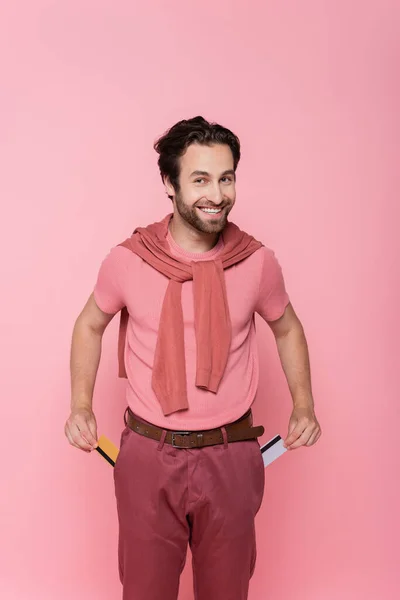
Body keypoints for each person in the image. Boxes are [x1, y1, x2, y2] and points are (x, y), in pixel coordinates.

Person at [65, 116, 321, 600]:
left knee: (227, 592)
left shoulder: (257, 261)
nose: (217, 194)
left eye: (226, 178)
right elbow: (90, 324)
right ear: (170, 183)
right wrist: (80, 404)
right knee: (144, 592)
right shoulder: (128, 259)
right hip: (147, 454)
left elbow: (286, 328)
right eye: (200, 179)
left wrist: (303, 404)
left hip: (231, 453)